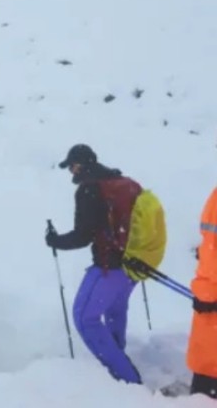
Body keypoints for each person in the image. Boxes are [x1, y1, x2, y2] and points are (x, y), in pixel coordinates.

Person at [45, 144, 143, 384]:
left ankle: (127, 379)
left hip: (109, 266)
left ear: (82, 164)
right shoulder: (122, 182)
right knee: (114, 311)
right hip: (134, 266)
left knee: (84, 317)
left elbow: (83, 235)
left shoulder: (90, 190)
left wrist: (55, 241)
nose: (71, 172)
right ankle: (118, 363)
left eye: (72, 166)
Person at [187, 186, 217, 398]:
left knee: (208, 360)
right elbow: (210, 243)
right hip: (207, 288)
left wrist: (210, 295)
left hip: (211, 292)